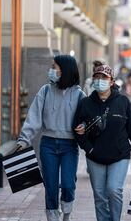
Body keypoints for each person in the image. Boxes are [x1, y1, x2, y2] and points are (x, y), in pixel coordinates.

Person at [73, 61, 131, 221]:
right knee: (100, 196)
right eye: (97, 77)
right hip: (95, 157)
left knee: (114, 190)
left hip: (119, 155)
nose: (100, 80)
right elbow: (77, 130)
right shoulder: (85, 103)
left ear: (112, 81)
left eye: (104, 77)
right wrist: (88, 148)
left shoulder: (123, 102)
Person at [16, 55, 85, 221]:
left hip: (69, 146)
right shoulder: (45, 91)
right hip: (48, 144)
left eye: (55, 67)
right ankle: (52, 218)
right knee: (51, 186)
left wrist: (83, 126)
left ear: (65, 69)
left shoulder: (79, 95)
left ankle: (66, 214)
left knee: (68, 185)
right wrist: (24, 140)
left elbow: (86, 118)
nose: (51, 70)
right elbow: (33, 117)